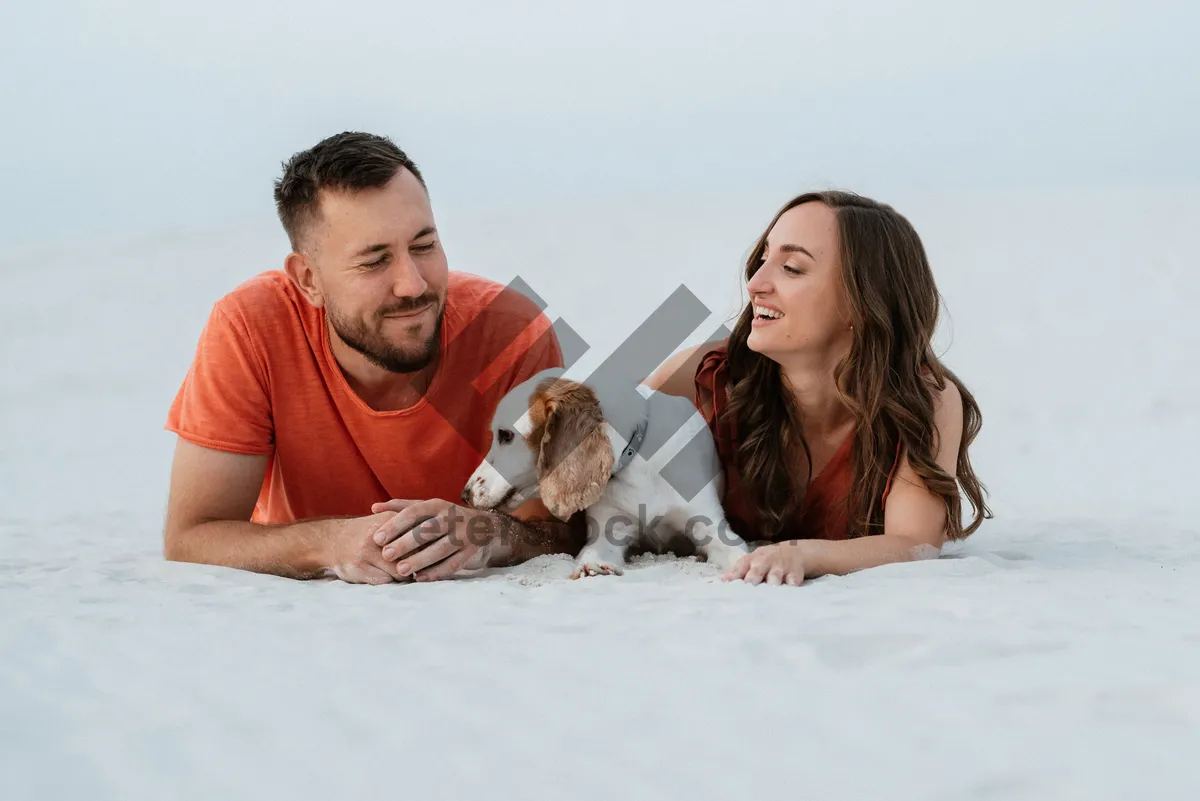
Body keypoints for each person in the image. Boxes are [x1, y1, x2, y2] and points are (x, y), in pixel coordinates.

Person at [162, 131, 582, 584]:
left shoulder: (510, 332)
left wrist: (488, 532)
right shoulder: (250, 327)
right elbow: (192, 536)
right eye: (374, 261)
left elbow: (566, 530)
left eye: (424, 246)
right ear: (308, 280)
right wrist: (333, 542)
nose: (414, 285)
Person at [646, 190, 991, 585]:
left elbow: (914, 542)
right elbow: (584, 448)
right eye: (762, 260)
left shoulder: (922, 400)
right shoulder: (702, 377)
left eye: (791, 267)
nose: (756, 283)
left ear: (862, 301)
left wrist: (806, 553)